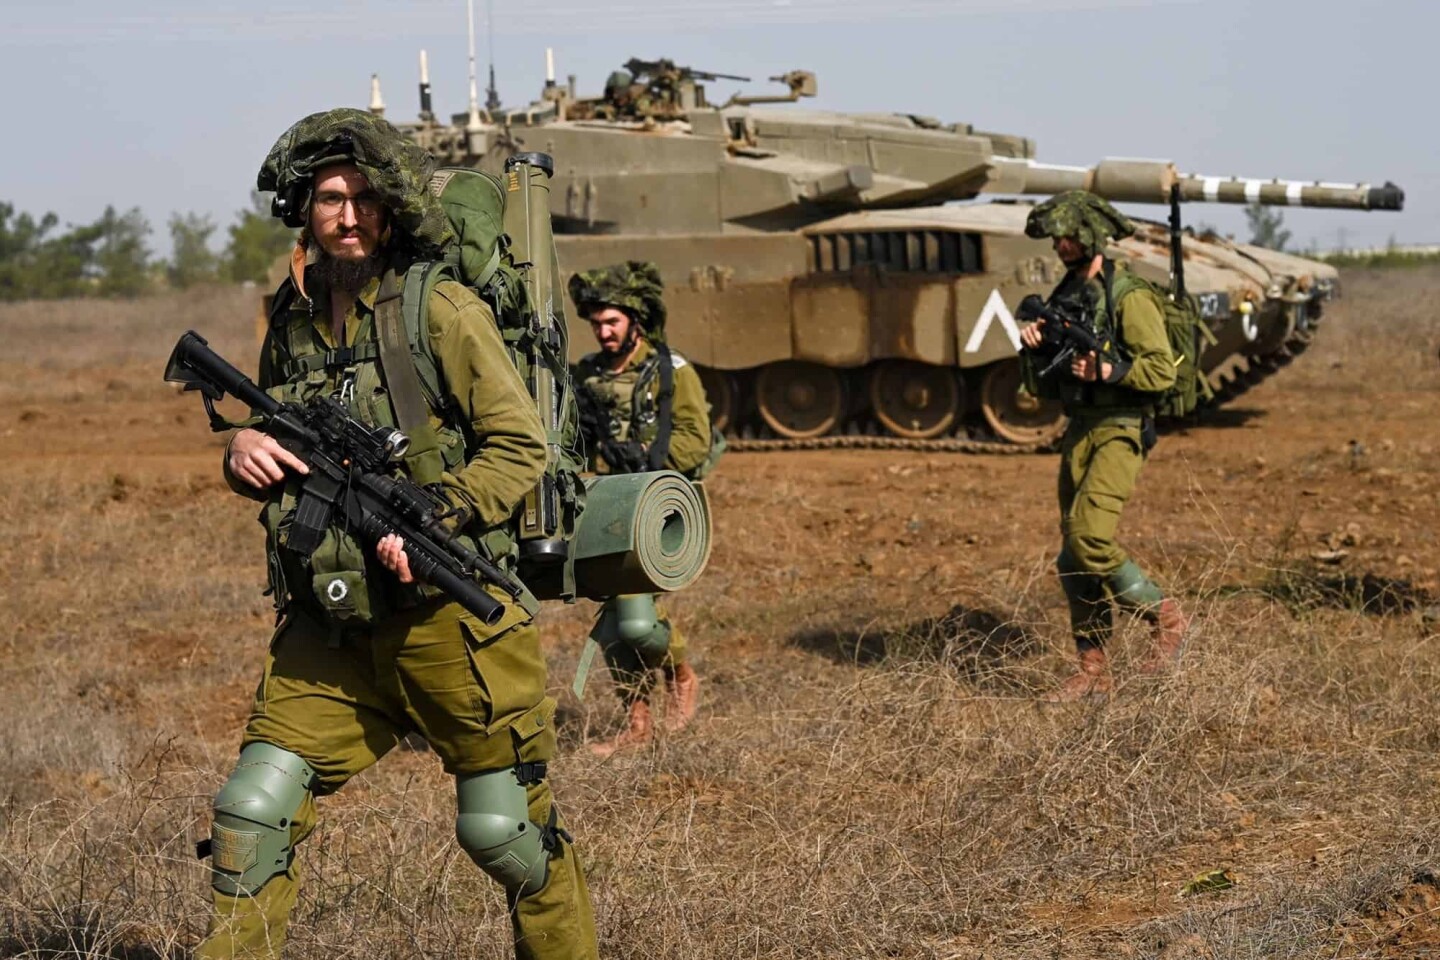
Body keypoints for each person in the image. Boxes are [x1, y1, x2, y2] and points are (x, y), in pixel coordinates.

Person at [196, 108, 596, 960]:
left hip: (451, 621)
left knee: (504, 834)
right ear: (303, 211)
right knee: (252, 811)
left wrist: (438, 515)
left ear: (393, 210)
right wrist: (243, 452)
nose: (348, 215)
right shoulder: (293, 320)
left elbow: (520, 445)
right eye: (330, 198)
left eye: (365, 198)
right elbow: (281, 441)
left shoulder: (439, 311)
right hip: (332, 624)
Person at [1017, 190, 1190, 702]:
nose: (1061, 245)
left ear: (1091, 236)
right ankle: (1092, 670)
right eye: (1056, 238)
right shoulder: (1067, 293)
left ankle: (1168, 619)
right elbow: (1043, 389)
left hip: (1121, 425)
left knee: (1091, 537)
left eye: (1069, 236)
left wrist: (1110, 369)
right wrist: (1034, 349)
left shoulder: (1128, 295)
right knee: (1073, 555)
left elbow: (1159, 369)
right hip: (1079, 428)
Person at [568, 261, 722, 756]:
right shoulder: (586, 375)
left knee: (635, 622)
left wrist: (645, 474)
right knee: (615, 626)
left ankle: (681, 673)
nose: (603, 331)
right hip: (605, 508)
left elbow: (696, 441)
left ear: (635, 319)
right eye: (596, 325)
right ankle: (637, 723)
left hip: (658, 507)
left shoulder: (670, 372)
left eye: (611, 322)